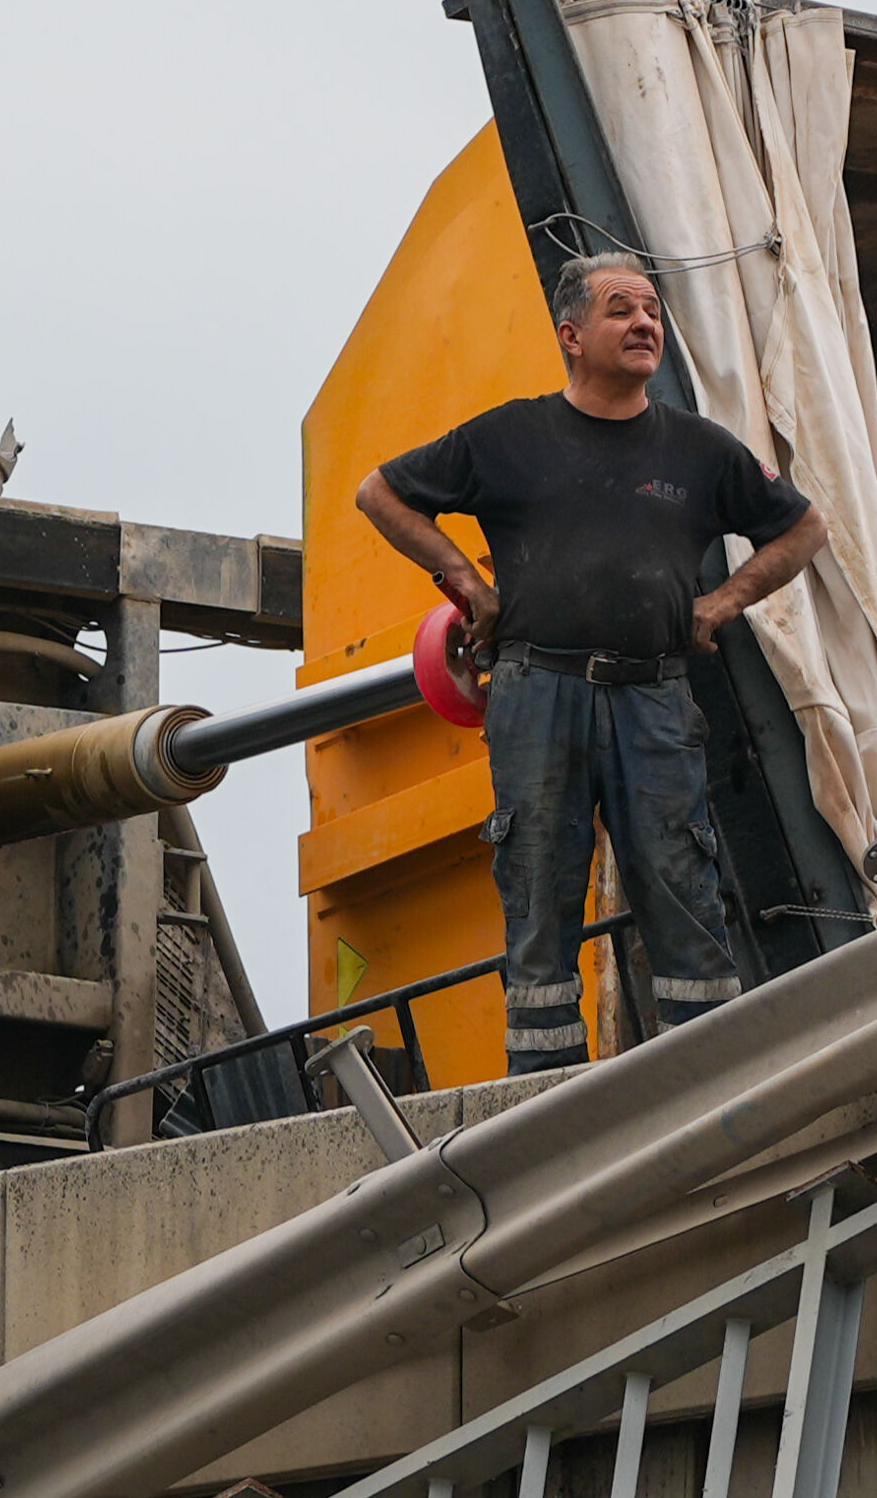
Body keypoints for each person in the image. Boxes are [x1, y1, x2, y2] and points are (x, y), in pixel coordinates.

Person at [354, 248, 834, 1071]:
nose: (645, 323)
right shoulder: (510, 435)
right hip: (538, 695)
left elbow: (804, 528)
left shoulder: (699, 450)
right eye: (623, 309)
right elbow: (379, 492)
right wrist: (467, 580)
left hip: (654, 700)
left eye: (651, 310)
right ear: (572, 334)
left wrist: (721, 603)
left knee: (685, 901)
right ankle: (544, 1106)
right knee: (540, 908)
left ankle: (703, 1089)